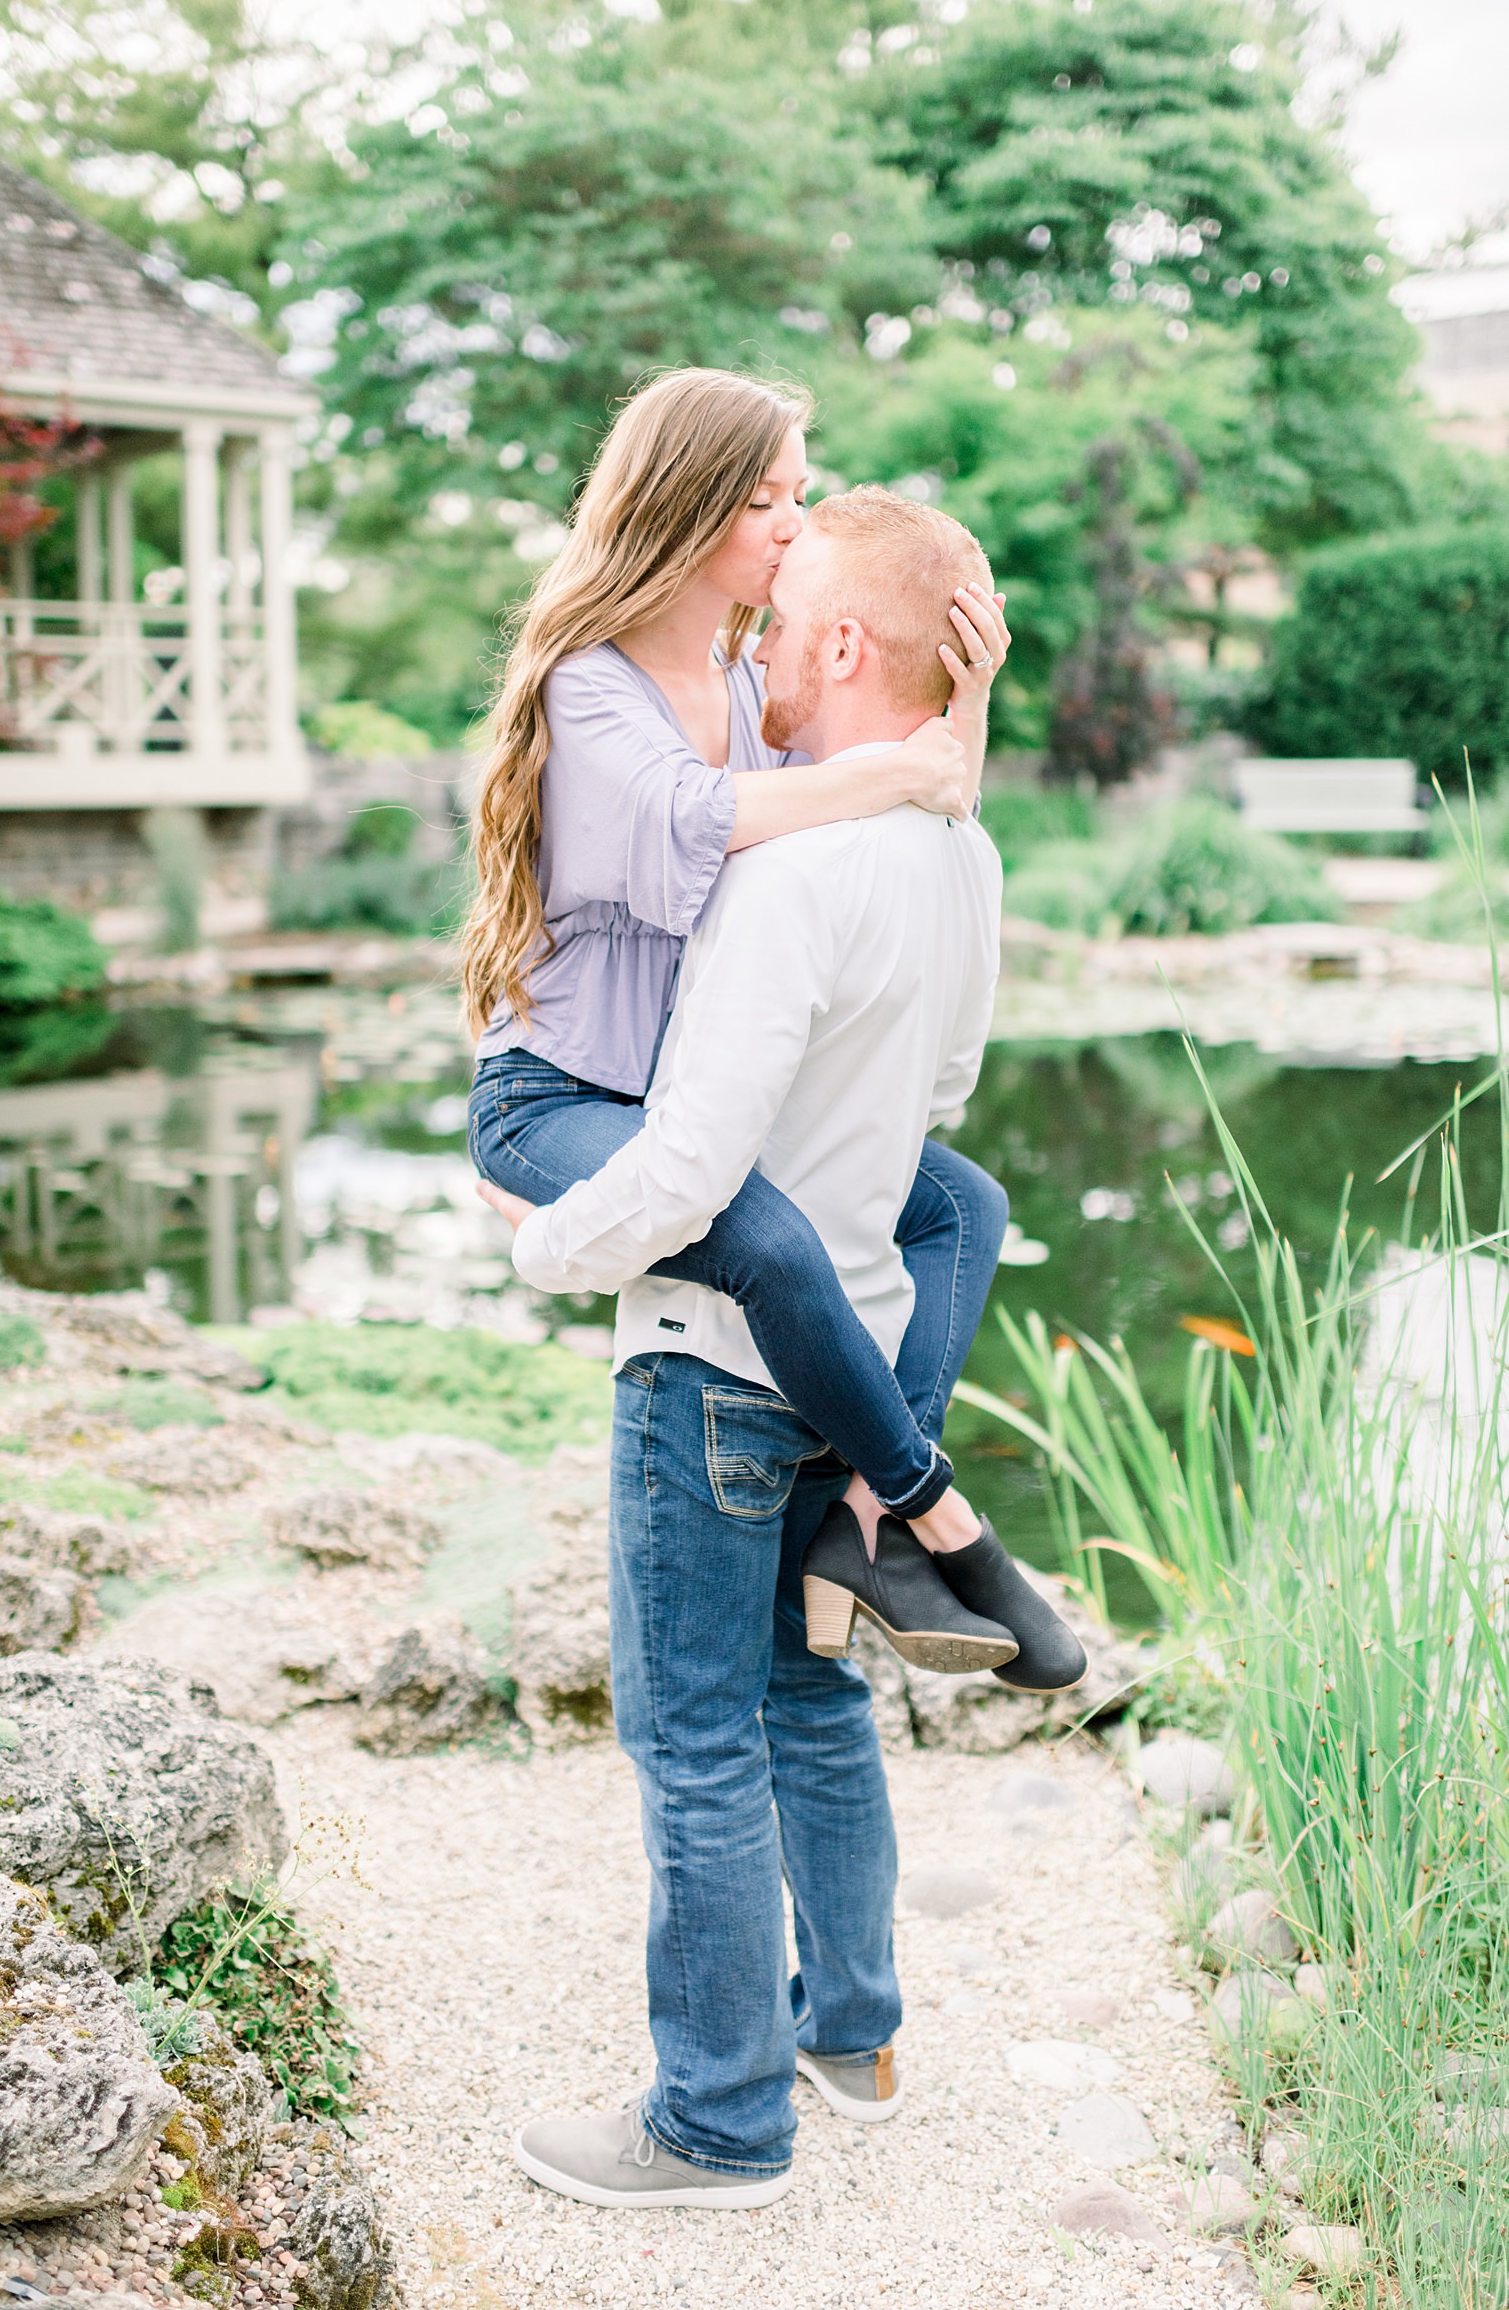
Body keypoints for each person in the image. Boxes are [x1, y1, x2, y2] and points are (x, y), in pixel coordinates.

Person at [481, 489, 1086, 2210]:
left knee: (693, 1742)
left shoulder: (784, 863)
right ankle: (852, 2032)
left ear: (837, 646)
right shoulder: (957, 858)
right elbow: (935, 1118)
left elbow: (682, 1169)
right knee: (807, 1699)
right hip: (858, 1358)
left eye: (780, 617)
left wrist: (539, 1244)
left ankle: (718, 2121)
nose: (752, 649)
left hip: (712, 1361)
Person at [464, 370, 1015, 1638]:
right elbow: (695, 823)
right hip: (559, 1099)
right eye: (766, 498)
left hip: (668, 1099)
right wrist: (903, 762)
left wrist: (956, 713)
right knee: (764, 1237)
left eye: (799, 494)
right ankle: (927, 1509)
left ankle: (858, 1526)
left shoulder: (750, 692)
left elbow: (910, 811)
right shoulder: (588, 683)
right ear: (690, 506)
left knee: (965, 1204)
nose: (793, 523)